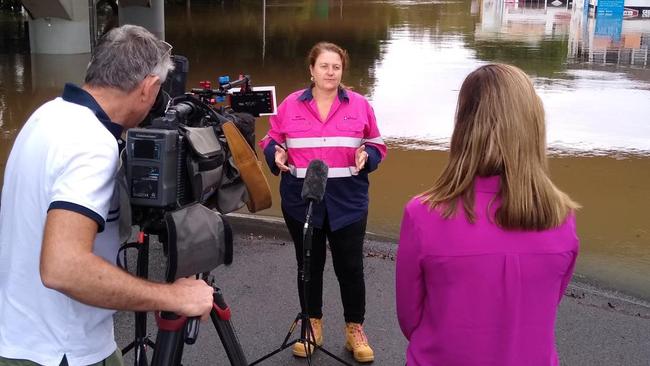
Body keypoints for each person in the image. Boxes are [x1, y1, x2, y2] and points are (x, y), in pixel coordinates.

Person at [0, 25, 214, 366]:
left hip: (23, 338)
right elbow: (63, 268)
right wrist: (170, 296)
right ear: (149, 87)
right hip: (61, 351)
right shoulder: (91, 143)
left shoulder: (47, 115)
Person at [395, 64, 580, 366]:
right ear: (532, 125)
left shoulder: (423, 214)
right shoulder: (560, 217)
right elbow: (546, 302)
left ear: (464, 125)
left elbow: (410, 317)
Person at [259, 42, 386, 363]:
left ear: (342, 71)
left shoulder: (359, 105)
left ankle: (355, 328)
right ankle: (312, 324)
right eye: (324, 66)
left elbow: (377, 143)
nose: (330, 72)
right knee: (308, 267)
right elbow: (272, 138)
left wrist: (366, 155)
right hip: (302, 201)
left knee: (351, 269)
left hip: (349, 202)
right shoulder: (290, 105)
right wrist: (275, 152)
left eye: (336, 67)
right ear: (312, 70)